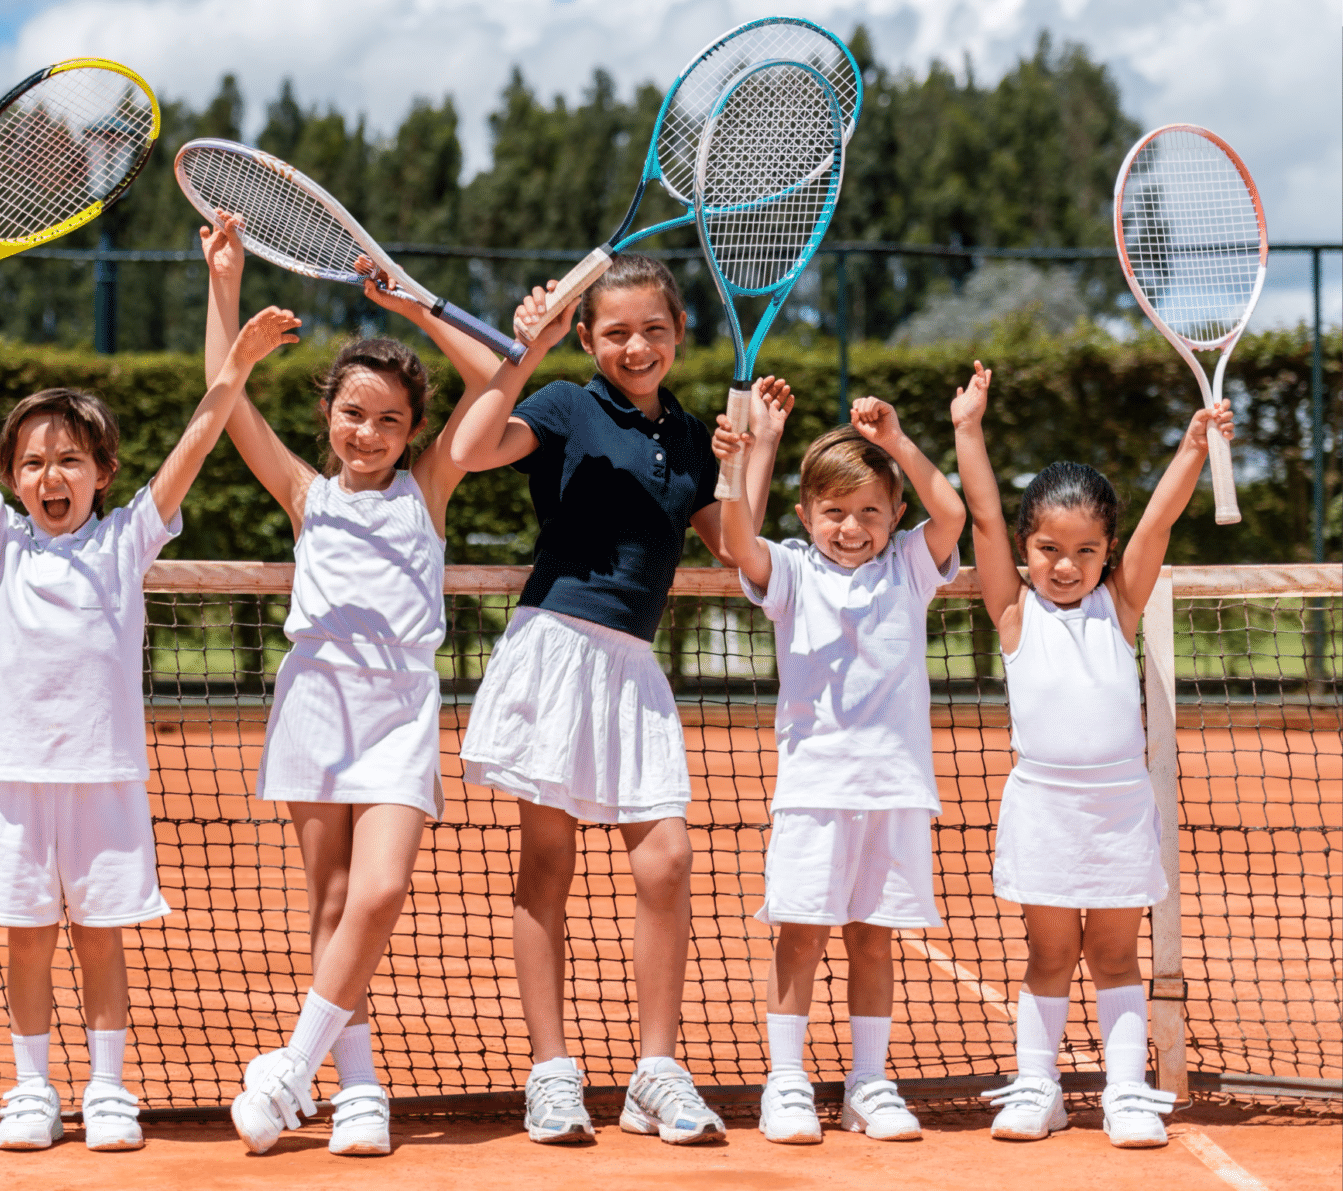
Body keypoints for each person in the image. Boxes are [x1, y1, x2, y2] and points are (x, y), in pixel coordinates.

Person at [0, 284, 297, 1153]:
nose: (49, 476)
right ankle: (32, 1089)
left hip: (106, 782)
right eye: (31, 464)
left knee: (101, 942)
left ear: (103, 473)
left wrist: (237, 364)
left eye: (69, 460)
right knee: (27, 943)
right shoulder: (0, 541)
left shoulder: (128, 539)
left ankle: (108, 1089)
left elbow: (194, 443)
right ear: (12, 482)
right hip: (18, 782)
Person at [448, 256, 793, 1146]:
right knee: (547, 867)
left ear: (678, 334)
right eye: (615, 332)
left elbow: (733, 547)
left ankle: (654, 1074)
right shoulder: (563, 404)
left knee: (666, 862)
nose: (635, 346)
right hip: (556, 648)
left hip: (632, 666)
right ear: (590, 338)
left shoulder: (686, 435)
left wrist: (755, 453)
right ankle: (553, 1073)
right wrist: (525, 351)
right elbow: (470, 450)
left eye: (652, 330)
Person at [201, 214, 504, 1156]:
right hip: (315, 707)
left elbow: (496, 378)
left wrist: (411, 302)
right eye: (352, 413)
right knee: (330, 903)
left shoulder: (431, 489)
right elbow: (224, 404)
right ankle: (360, 1088)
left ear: (413, 432)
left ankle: (292, 1067)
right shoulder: (305, 494)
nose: (367, 431)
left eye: (389, 420)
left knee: (380, 893)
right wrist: (225, 288)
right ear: (326, 414)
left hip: (401, 712)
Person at [953, 361, 1232, 1148]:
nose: (1066, 565)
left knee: (1113, 952)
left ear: (1106, 551)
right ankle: (1037, 1087)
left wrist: (1193, 447)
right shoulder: (1011, 611)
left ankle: (1126, 1092)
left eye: (1084, 549)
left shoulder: (1121, 604)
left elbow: (1159, 524)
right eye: (1047, 548)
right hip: (1042, 806)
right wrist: (968, 428)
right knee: (1049, 953)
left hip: (1117, 808)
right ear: (1026, 547)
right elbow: (979, 513)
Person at [711, 394, 967, 1145]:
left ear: (892, 518)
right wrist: (758, 446)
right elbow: (735, 538)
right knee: (800, 935)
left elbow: (948, 516)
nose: (852, 528)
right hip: (814, 792)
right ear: (805, 513)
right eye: (834, 512)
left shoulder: (910, 569)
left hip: (895, 791)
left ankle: (869, 1083)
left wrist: (896, 439)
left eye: (870, 513)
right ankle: (786, 1081)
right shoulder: (789, 571)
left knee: (874, 938)